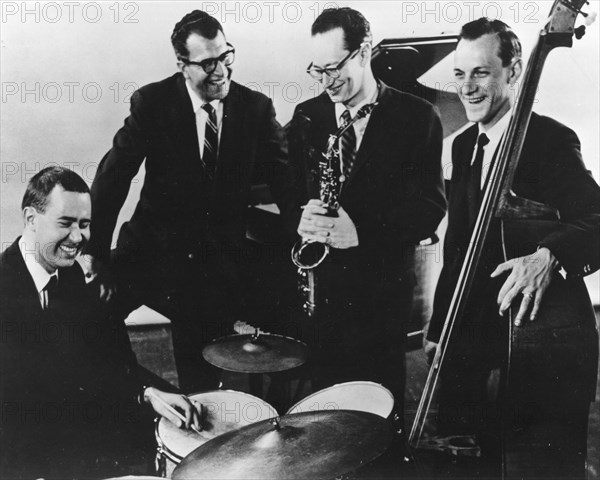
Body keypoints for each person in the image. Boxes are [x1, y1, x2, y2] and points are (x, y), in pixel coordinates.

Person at [425, 18, 600, 478]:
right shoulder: (464, 145)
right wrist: (439, 326)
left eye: (480, 72)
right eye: (459, 74)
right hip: (476, 341)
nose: (467, 87)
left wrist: (550, 256)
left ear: (515, 70)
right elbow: (459, 249)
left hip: (539, 342)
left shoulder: (549, 140)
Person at [86, 10, 296, 392]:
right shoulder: (152, 103)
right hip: (149, 252)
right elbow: (113, 178)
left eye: (226, 56)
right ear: (182, 65)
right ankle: (134, 398)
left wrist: (304, 237)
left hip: (213, 267)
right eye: (208, 63)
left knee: (200, 374)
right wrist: (96, 254)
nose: (221, 71)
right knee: (91, 317)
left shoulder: (257, 109)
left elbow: (287, 185)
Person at [292, 7, 446, 422]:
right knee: (324, 407)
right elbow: (290, 191)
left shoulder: (417, 117)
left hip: (382, 292)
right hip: (322, 289)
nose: (325, 81)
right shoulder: (308, 117)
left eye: (333, 68)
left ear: (363, 53)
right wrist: (301, 216)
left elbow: (430, 208)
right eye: (317, 70)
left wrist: (361, 232)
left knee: (379, 408)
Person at [0, 167, 203, 479]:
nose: (78, 238)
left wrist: (149, 392)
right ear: (30, 219)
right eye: (65, 224)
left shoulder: (75, 276)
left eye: (84, 225)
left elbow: (109, 361)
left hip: (80, 448)